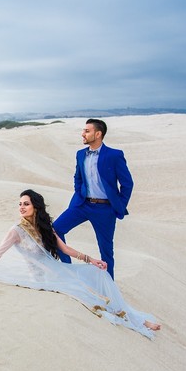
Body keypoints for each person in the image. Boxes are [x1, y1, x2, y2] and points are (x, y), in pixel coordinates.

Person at [0, 189, 160, 338]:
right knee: (85, 293)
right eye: (20, 204)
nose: (21, 207)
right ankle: (134, 321)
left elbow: (65, 250)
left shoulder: (45, 227)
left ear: (35, 206)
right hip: (39, 279)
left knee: (96, 274)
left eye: (26, 203)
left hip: (56, 272)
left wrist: (92, 260)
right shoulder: (16, 231)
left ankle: (136, 319)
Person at [53, 118, 133, 279]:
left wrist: (117, 205)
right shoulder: (80, 154)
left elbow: (127, 183)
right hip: (82, 205)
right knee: (55, 230)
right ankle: (67, 271)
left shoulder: (114, 155)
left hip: (105, 209)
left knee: (106, 250)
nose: (83, 134)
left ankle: (108, 286)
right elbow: (78, 177)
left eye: (87, 131)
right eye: (83, 131)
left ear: (98, 134)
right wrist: (79, 192)